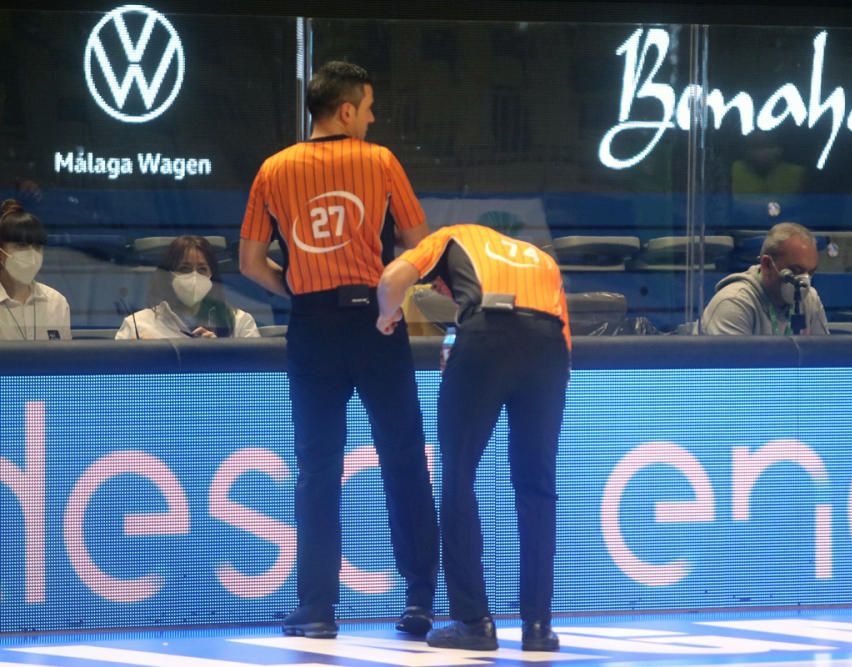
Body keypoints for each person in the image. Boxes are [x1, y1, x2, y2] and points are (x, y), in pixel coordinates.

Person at [239, 60, 438, 639]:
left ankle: (318, 609)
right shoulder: (379, 161)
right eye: (369, 108)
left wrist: (297, 289)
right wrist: (387, 295)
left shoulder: (273, 169)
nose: (373, 118)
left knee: (317, 469)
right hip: (376, 320)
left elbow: (251, 262)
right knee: (403, 459)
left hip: (313, 328)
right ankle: (420, 602)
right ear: (346, 111)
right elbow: (416, 245)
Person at [377, 223, 571, 652]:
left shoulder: (451, 236)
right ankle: (539, 627)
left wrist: (386, 314)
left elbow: (393, 280)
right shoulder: (543, 259)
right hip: (548, 347)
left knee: (459, 476)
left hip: (485, 337)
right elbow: (565, 342)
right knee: (538, 486)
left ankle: (473, 622)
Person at [115, 235, 260, 339]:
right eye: (184, 269)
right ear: (168, 275)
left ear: (212, 276)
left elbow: (257, 377)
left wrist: (218, 356)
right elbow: (117, 377)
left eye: (202, 269)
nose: (194, 277)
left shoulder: (239, 322)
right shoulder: (138, 326)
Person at [699, 222, 829, 335]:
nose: (804, 282)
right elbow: (733, 363)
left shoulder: (810, 300)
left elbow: (823, 358)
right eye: (795, 271)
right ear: (767, 265)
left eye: (810, 272)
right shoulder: (733, 303)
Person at [0, 199, 71, 341]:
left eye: (38, 247)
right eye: (21, 245)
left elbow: (64, 360)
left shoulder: (56, 302)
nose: (32, 255)